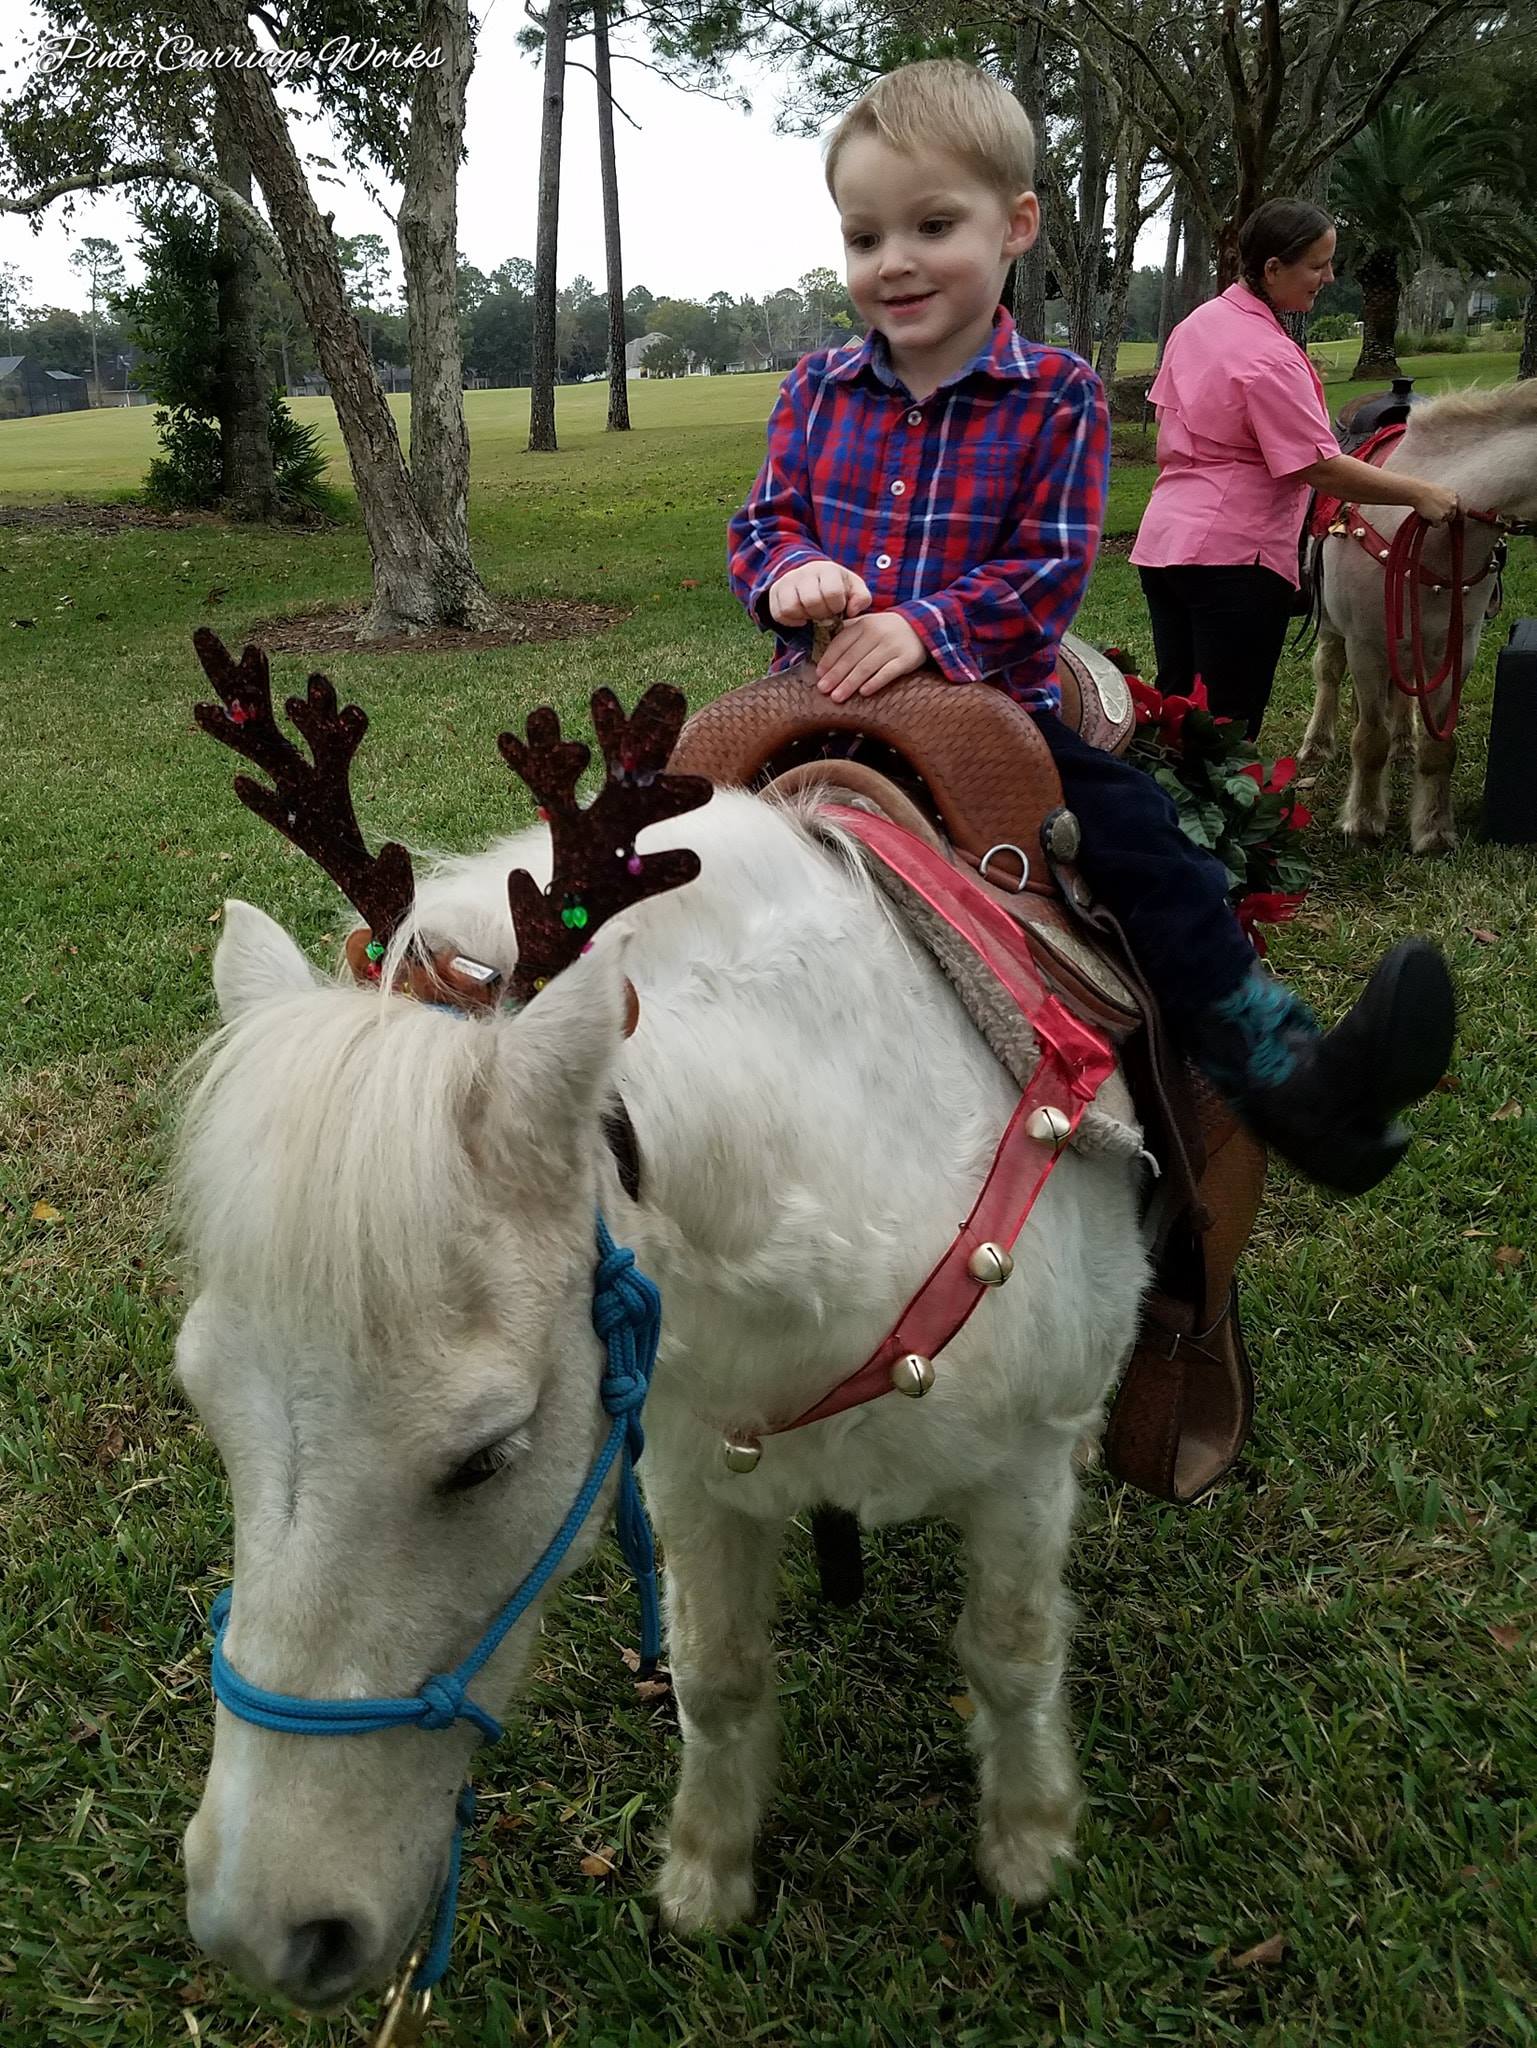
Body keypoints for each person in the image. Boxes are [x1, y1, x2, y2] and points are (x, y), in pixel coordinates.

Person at [725, 60, 1453, 1195]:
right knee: (655, 822)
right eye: (864, 237)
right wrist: (790, 572)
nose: (893, 261)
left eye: (931, 224)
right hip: (812, 705)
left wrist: (924, 626)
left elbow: (1047, 567)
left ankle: (1289, 1079)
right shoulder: (814, 390)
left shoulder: (1054, 394)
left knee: (1147, 849)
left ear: (1016, 225)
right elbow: (761, 522)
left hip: (983, 711)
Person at [1131, 198, 1459, 736]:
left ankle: (1167, 816)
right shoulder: (1269, 356)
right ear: (1273, 268)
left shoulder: (1198, 324)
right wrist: (1419, 492)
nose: (1328, 277)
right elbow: (1320, 467)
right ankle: (1220, 820)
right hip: (1233, 557)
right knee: (1227, 727)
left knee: (1179, 710)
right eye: (1317, 264)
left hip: (1165, 545)